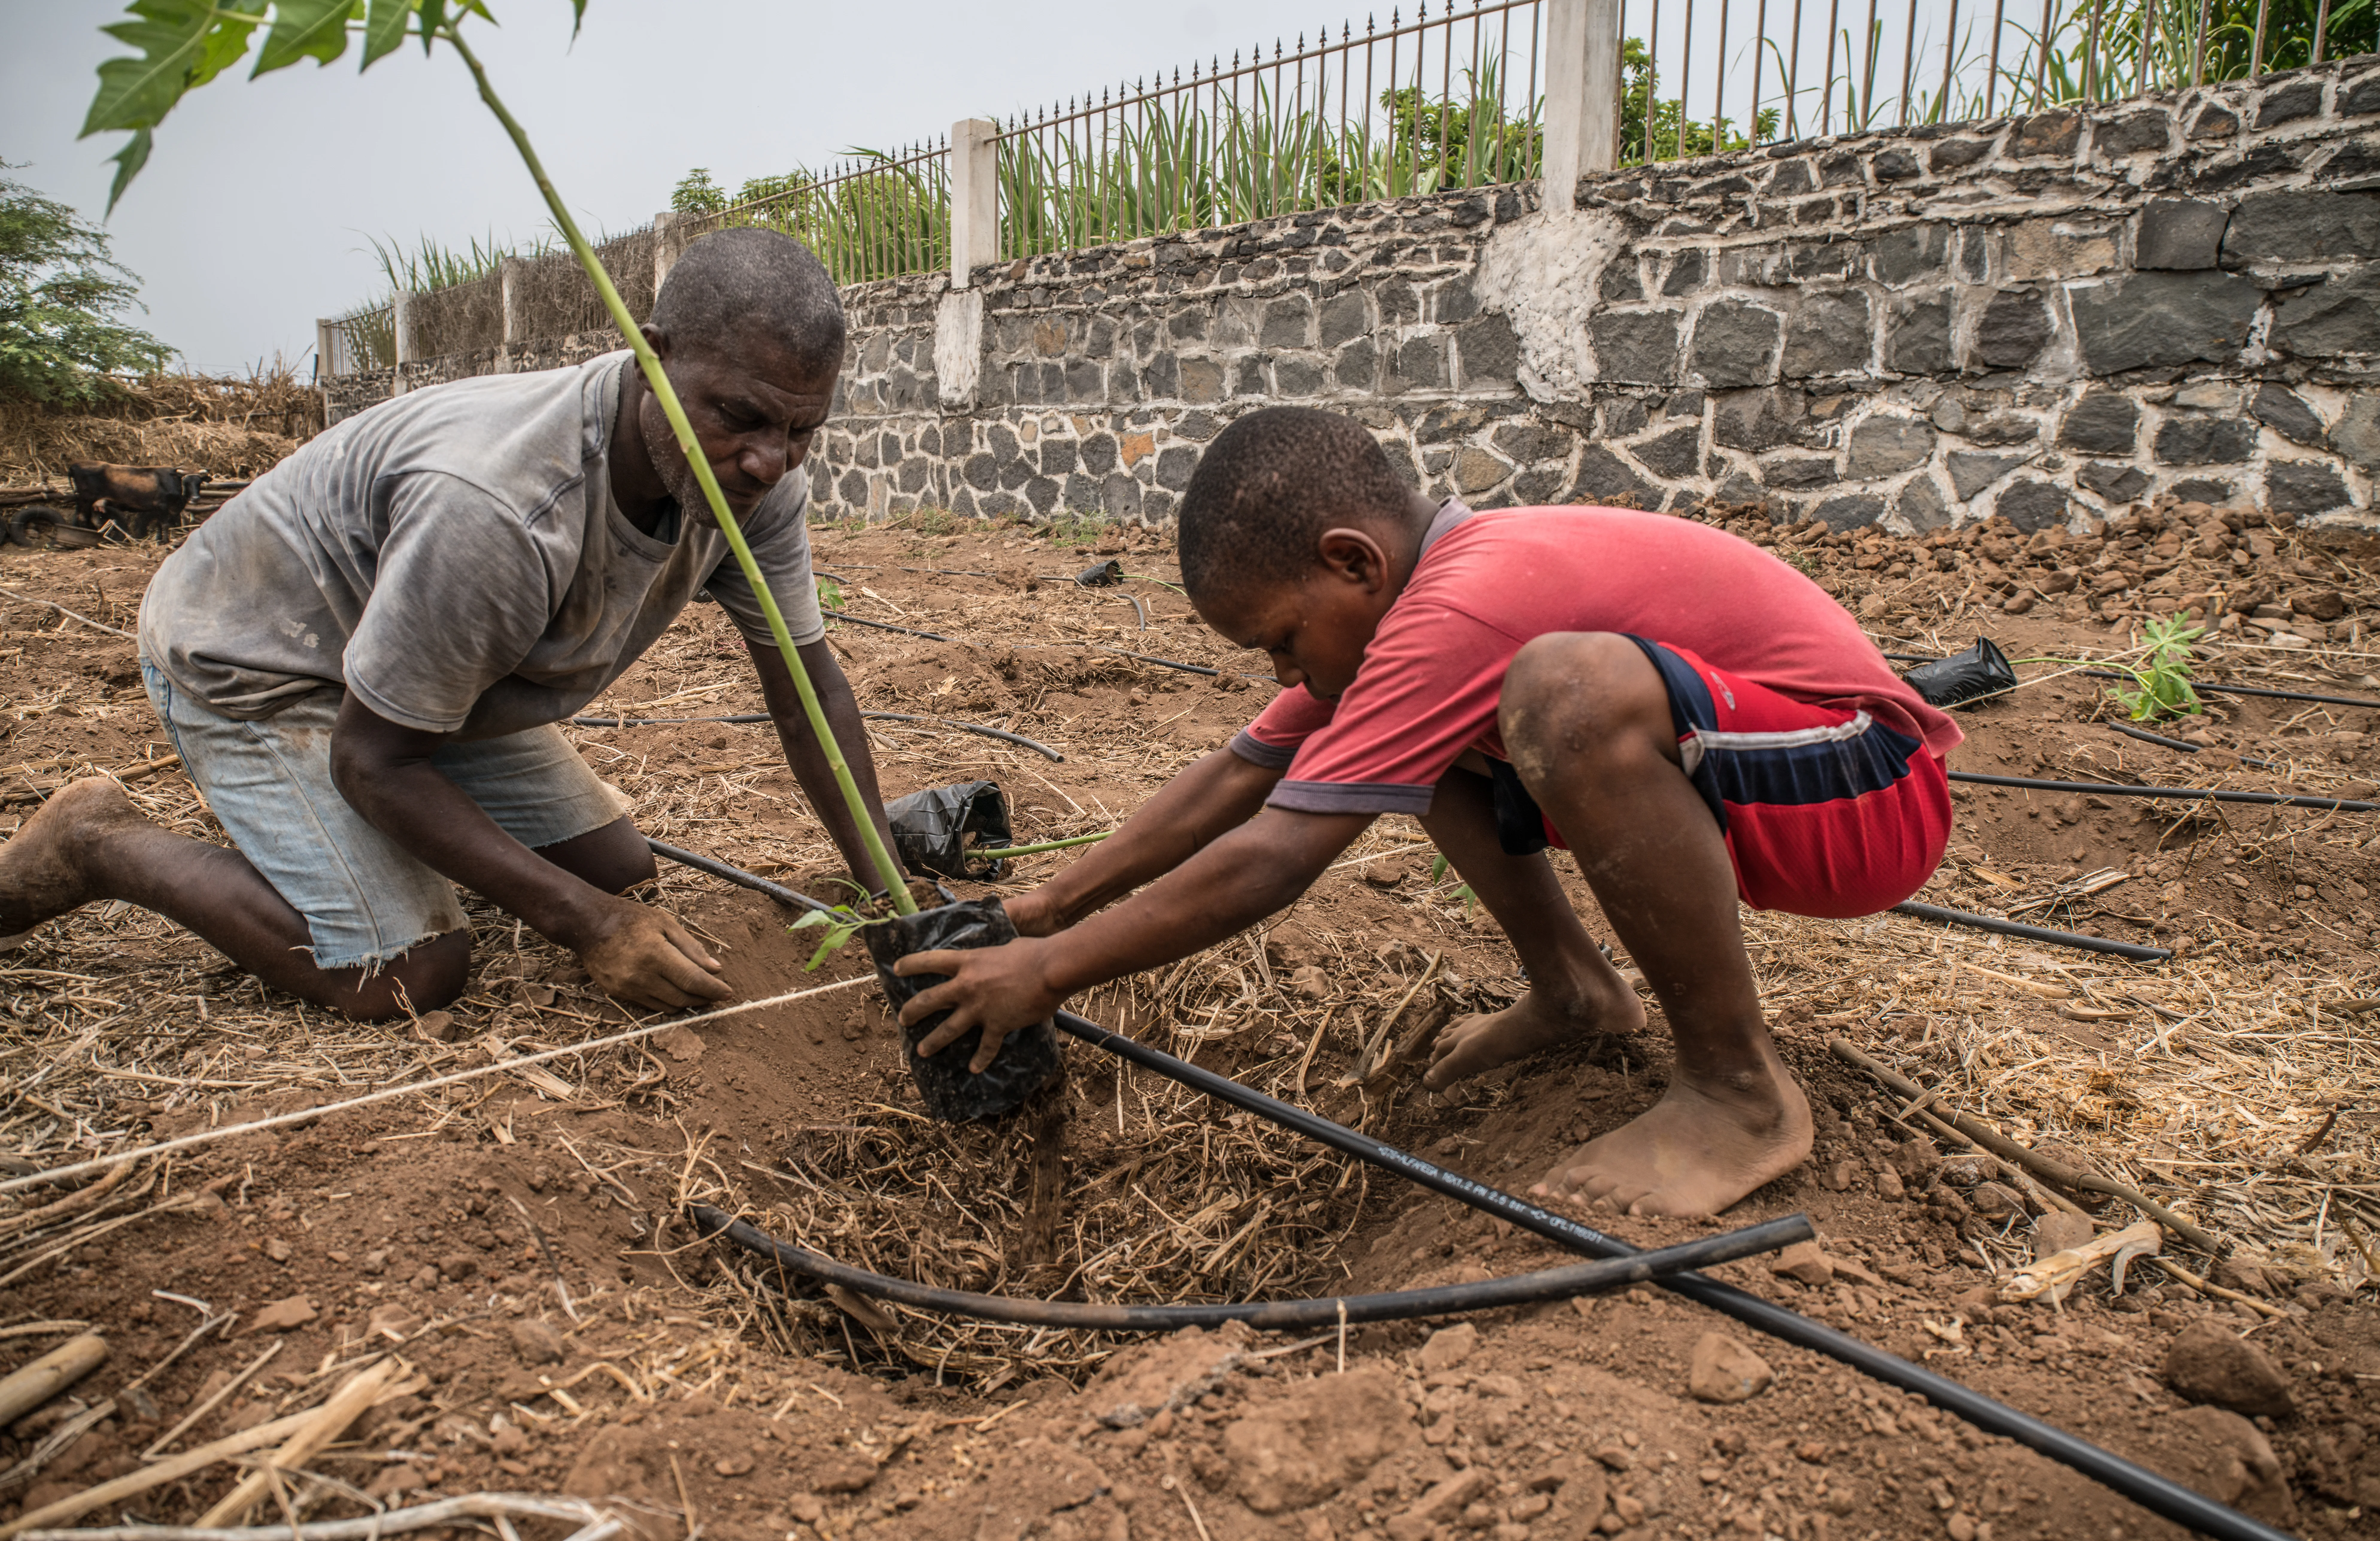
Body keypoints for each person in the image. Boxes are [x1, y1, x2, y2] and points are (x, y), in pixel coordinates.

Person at [894, 407, 1959, 1219]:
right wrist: (1040, 910)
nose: (1280, 669)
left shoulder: (1467, 603)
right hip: (1775, 777)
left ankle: (1740, 1091)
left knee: (1563, 694)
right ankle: (1576, 991)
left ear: (1355, 563)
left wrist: (1049, 974)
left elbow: (1274, 856)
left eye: (1280, 638)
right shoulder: (1418, 604)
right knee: (1417, 745)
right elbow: (1234, 780)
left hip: (1864, 790)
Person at [0, 229, 898, 1021]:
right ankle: (98, 845)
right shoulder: (502, 511)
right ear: (650, 356)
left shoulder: (761, 486)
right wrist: (586, 927)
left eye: (800, 431)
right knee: (408, 971)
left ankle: (376, 835)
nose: (767, 462)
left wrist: (894, 891)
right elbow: (371, 757)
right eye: (737, 418)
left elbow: (806, 692)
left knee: (619, 870)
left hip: (421, 666)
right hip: (259, 653)